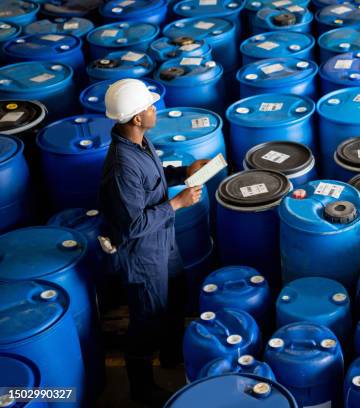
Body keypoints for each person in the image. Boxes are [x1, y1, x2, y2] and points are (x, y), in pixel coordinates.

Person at [98, 79, 208, 407]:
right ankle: (142, 390)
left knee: (176, 294)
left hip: (163, 241)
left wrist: (183, 174)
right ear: (135, 118)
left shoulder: (139, 142)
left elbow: (154, 182)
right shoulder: (122, 166)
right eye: (149, 106)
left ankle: (172, 354)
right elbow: (133, 225)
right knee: (147, 319)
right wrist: (178, 203)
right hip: (143, 252)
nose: (154, 109)